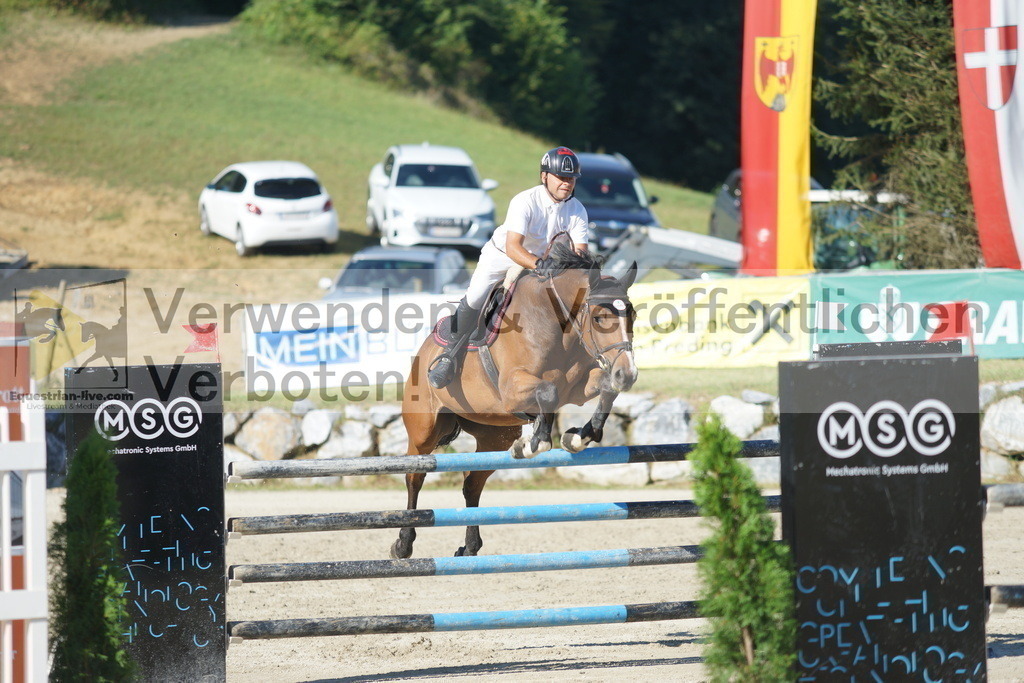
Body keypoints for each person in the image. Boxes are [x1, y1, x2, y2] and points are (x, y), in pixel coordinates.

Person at [427, 146, 590, 389]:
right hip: (503, 257)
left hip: (546, 264)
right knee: (475, 297)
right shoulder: (525, 201)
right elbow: (514, 247)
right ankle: (448, 356)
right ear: (545, 176)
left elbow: (580, 253)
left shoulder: (577, 209)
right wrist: (539, 264)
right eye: (561, 178)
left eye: (571, 179)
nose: (567, 183)